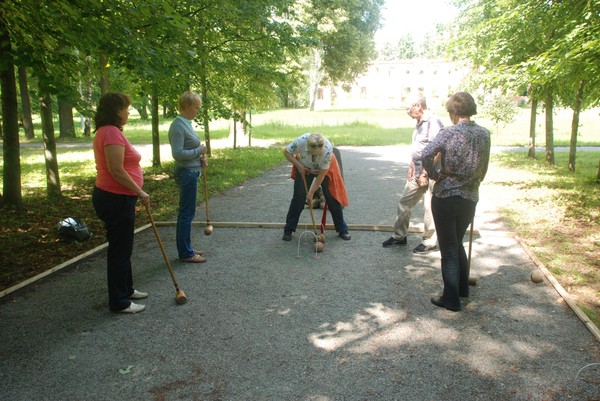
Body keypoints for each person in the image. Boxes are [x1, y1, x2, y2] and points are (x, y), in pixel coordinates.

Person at [422, 92, 491, 312]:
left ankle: (450, 299)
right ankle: (462, 289)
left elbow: (426, 154)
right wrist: (476, 179)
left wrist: (434, 174)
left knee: (449, 248)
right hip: (470, 196)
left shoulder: (449, 133)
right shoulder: (484, 134)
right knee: (457, 241)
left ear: (453, 112)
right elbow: (485, 166)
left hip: (446, 196)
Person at [92, 93, 150, 314]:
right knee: (119, 249)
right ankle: (119, 301)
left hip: (119, 197)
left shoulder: (111, 132)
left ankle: (127, 289)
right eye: (126, 108)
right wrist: (140, 192)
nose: (128, 112)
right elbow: (116, 170)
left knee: (124, 246)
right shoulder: (110, 132)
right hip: (114, 198)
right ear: (117, 111)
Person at [382, 93, 444, 254]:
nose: (407, 112)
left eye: (408, 109)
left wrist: (425, 172)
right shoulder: (419, 122)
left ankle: (430, 241)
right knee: (404, 202)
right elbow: (420, 148)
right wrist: (412, 164)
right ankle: (399, 236)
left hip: (431, 173)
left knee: (429, 207)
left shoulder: (433, 121)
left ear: (418, 106)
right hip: (417, 171)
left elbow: (438, 151)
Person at [282, 133, 350, 241]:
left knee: (332, 198)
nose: (317, 155)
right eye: (314, 153)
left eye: (319, 153)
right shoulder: (301, 142)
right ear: (308, 148)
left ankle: (342, 229)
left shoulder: (328, 150)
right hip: (304, 167)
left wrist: (311, 193)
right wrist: (298, 165)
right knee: (298, 198)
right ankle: (288, 229)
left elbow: (321, 175)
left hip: (325, 169)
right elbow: (286, 152)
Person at [168, 91, 208, 263]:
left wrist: (200, 159)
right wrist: (199, 151)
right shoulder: (178, 126)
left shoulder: (186, 124)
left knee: (188, 212)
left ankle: (187, 247)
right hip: (187, 174)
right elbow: (177, 154)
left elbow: (187, 151)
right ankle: (185, 253)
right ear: (186, 106)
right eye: (196, 108)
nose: (198, 111)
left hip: (192, 171)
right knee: (186, 213)